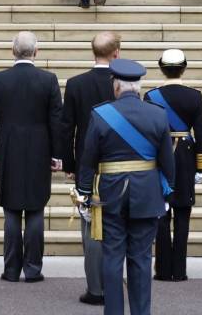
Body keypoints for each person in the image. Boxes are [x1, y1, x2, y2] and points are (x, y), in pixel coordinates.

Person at [75, 58, 175, 315]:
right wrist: (167, 191)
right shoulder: (158, 114)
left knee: (112, 258)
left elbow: (87, 160)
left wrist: (84, 193)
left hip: (110, 195)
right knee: (141, 260)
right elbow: (167, 161)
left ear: (115, 86)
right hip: (147, 194)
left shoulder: (100, 114)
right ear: (139, 88)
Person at [0, 31, 63, 283]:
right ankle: (33, 269)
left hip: (8, 148)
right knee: (36, 208)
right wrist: (57, 154)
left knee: (11, 209)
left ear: (12, 51)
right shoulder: (48, 80)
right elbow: (56, 121)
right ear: (36, 52)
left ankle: (11, 269)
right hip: (40, 148)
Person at [60, 31, 120, 305]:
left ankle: (95, 288)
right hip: (119, 163)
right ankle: (114, 284)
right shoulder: (122, 82)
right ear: (116, 53)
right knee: (117, 227)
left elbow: (67, 128)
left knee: (90, 229)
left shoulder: (76, 83)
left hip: (88, 164)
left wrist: (69, 165)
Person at [143, 48, 202, 282]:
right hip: (187, 157)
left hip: (160, 156)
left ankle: (162, 268)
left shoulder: (151, 96)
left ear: (161, 68)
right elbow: (200, 133)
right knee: (182, 214)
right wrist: (201, 167)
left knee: (161, 214)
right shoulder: (195, 96)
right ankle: (179, 270)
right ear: (184, 67)